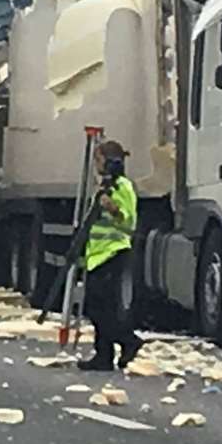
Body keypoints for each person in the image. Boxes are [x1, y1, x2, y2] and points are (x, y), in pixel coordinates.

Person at [78, 139, 143, 372]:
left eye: (98, 159)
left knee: (102, 308)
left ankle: (128, 340)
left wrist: (113, 208)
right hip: (97, 255)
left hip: (113, 253)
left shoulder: (123, 187)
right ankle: (103, 355)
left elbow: (129, 222)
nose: (96, 164)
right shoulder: (105, 185)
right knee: (98, 308)